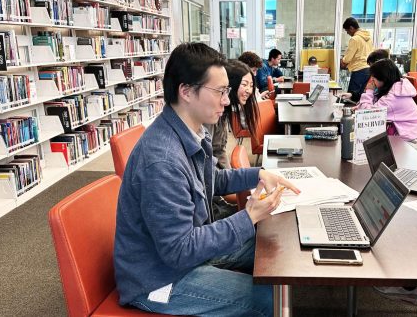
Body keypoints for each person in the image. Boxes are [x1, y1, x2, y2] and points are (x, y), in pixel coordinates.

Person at [114, 42, 299, 316]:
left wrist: (259, 173)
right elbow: (179, 250)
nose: (227, 100)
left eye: (227, 91)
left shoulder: (192, 131)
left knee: (274, 249)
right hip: (158, 279)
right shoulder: (163, 160)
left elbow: (214, 179)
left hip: (185, 255)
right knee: (268, 299)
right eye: (220, 92)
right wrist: (248, 217)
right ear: (186, 91)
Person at [204, 60, 261, 220]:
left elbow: (219, 151)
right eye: (245, 84)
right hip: (212, 200)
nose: (249, 90)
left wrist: (231, 177)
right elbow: (210, 160)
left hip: (217, 183)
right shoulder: (210, 117)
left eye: (251, 85)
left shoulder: (222, 114)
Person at [355, 58, 417, 152]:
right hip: (410, 134)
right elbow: (377, 105)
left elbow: (367, 114)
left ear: (383, 78)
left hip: (411, 141)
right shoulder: (397, 87)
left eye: (374, 78)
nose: (372, 81)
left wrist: (369, 91)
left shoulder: (393, 98)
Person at [340, 17, 374, 103]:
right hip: (368, 69)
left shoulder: (355, 39)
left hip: (359, 69)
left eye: (347, 31)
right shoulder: (368, 38)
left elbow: (348, 57)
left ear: (351, 28)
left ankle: (349, 115)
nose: (348, 33)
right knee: (360, 96)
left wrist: (343, 61)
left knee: (351, 97)